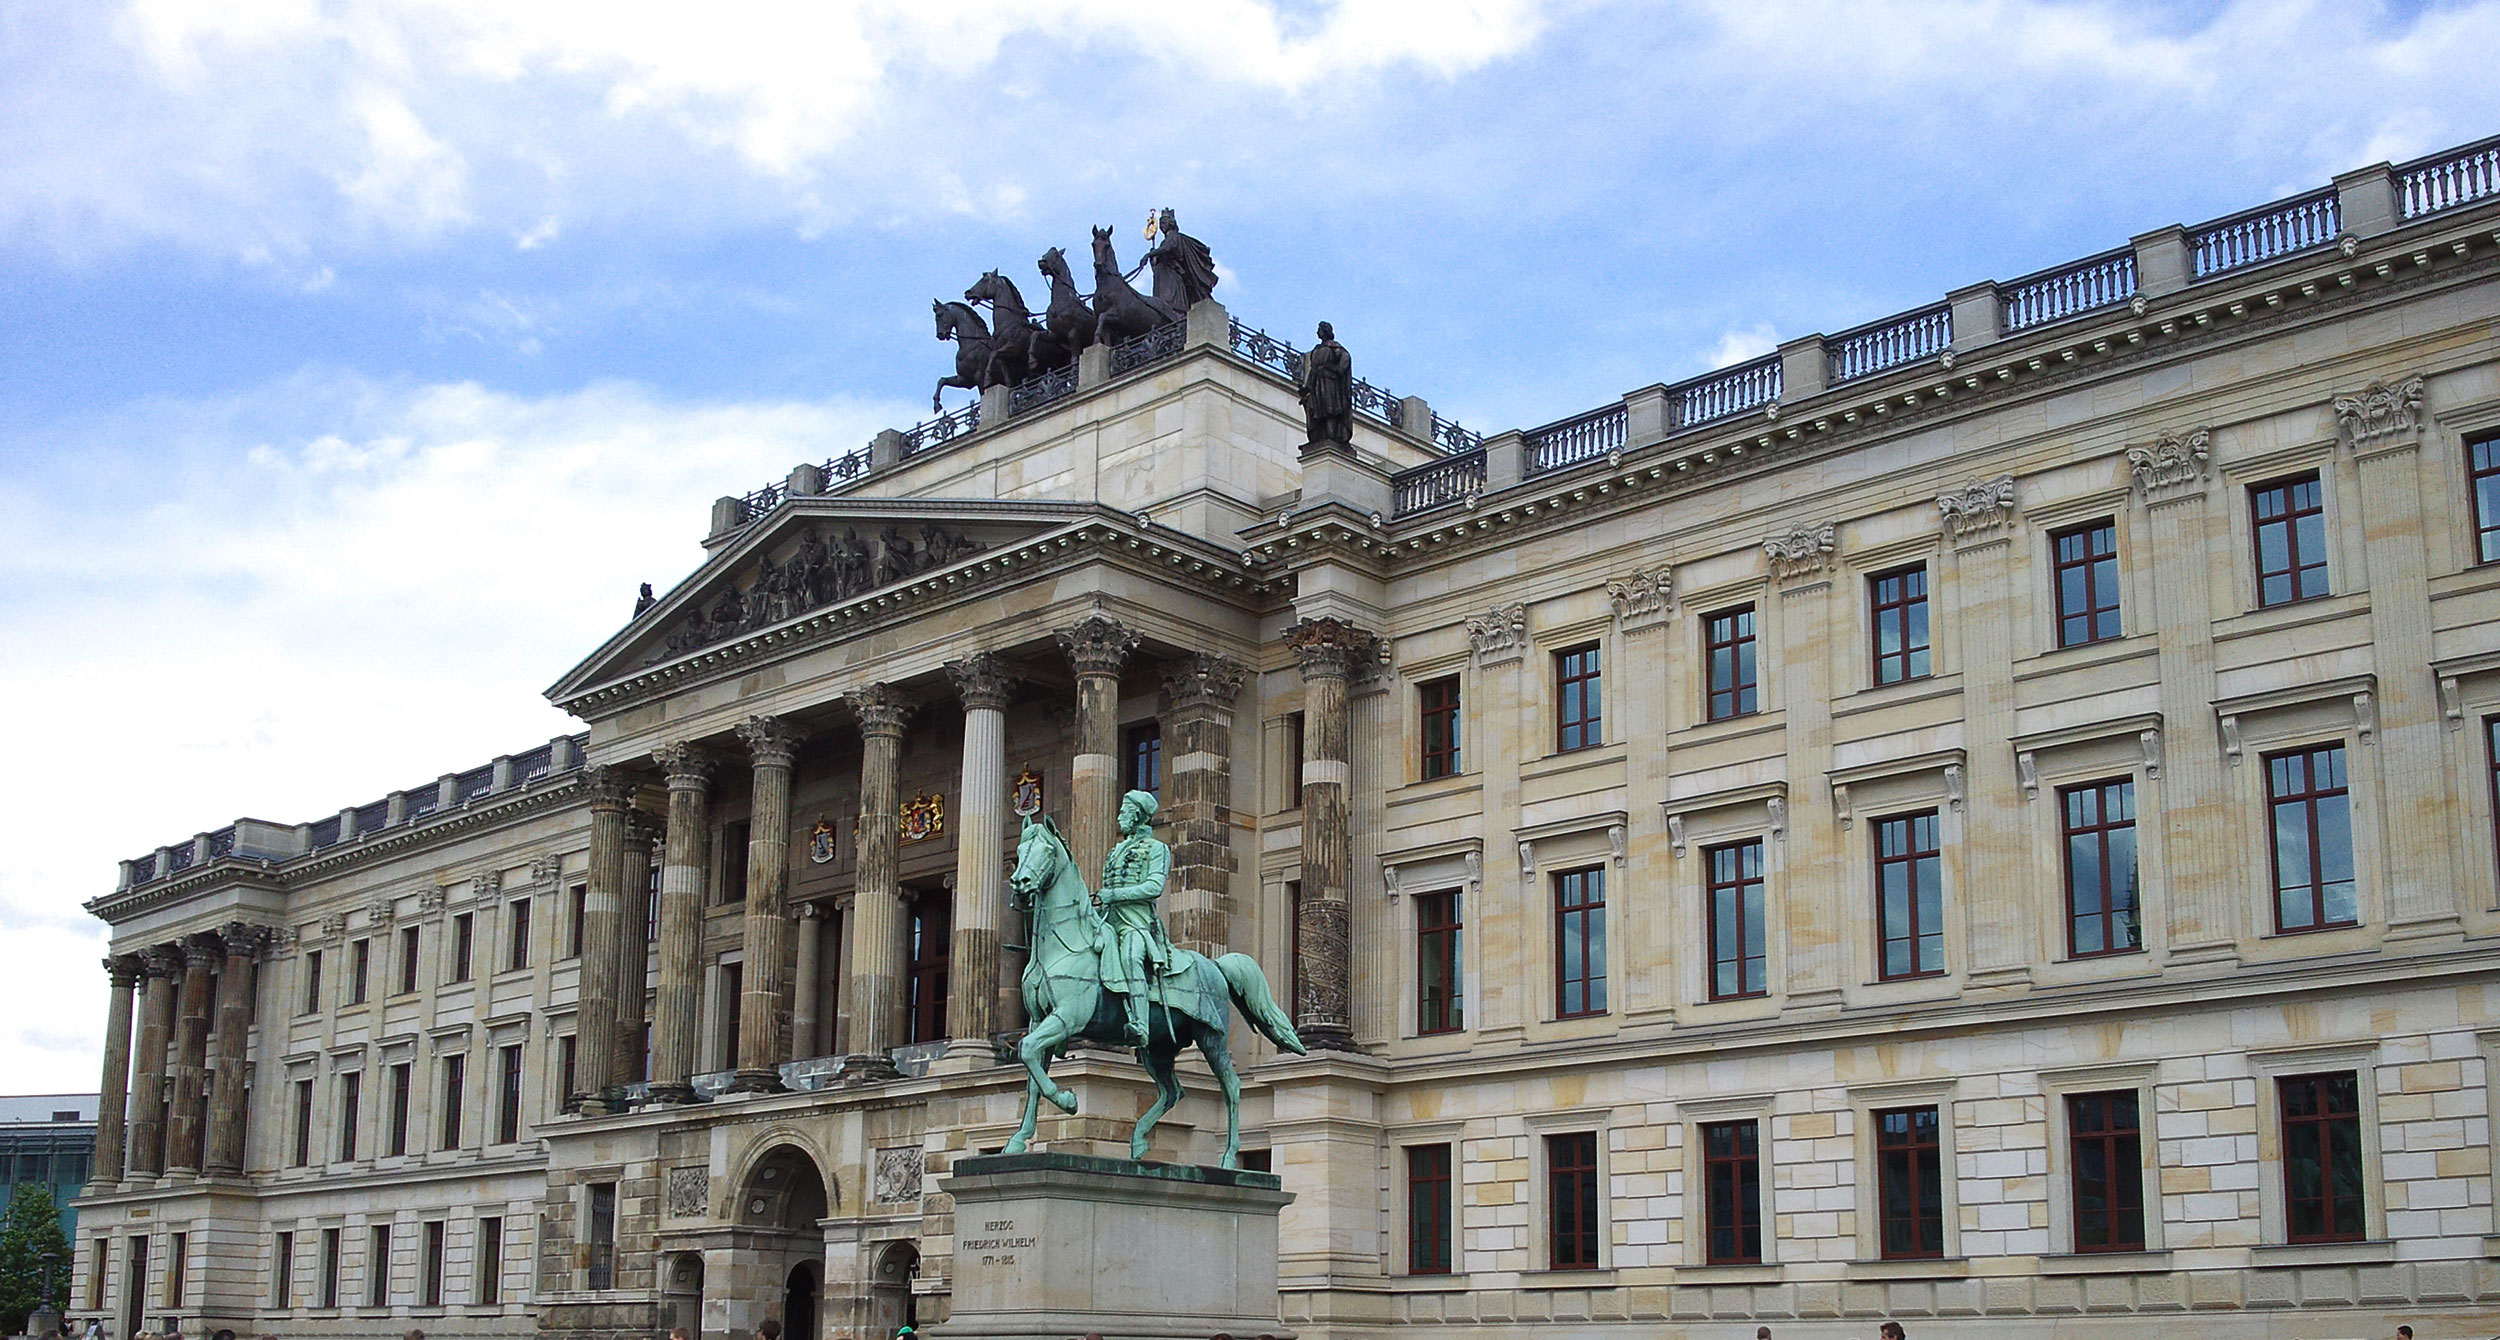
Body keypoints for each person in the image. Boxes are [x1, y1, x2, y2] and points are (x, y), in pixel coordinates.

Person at [1095, 788, 1175, 1047]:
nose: (1118, 817)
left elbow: (1154, 887)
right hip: (1108, 920)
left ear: (1138, 815)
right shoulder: (1115, 850)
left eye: (1124, 812)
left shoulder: (1157, 848)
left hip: (1136, 923)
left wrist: (1115, 894)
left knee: (1131, 957)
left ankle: (1141, 1023)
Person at [1297, 322, 1353, 449]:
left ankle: (1331, 437)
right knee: (1317, 411)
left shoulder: (1335, 348)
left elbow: (1345, 360)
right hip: (1318, 384)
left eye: (1320, 329)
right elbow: (1313, 370)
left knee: (1330, 410)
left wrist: (1336, 369)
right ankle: (1318, 438)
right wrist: (1306, 387)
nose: (1318, 332)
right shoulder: (1316, 350)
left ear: (1325, 331)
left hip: (1330, 383)